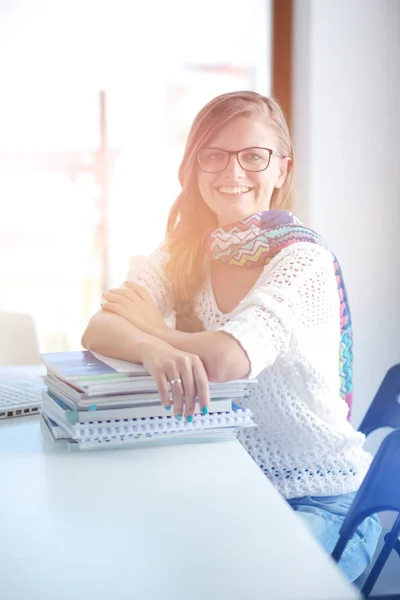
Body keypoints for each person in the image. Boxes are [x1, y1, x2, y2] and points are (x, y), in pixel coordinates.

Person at [81, 90, 381, 581]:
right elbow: (99, 327)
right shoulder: (184, 254)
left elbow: (227, 359)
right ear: (194, 168)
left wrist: (155, 328)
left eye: (253, 156)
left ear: (282, 169)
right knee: (121, 561)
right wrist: (150, 348)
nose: (232, 172)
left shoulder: (302, 259)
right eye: (214, 155)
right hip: (229, 482)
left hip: (323, 499)